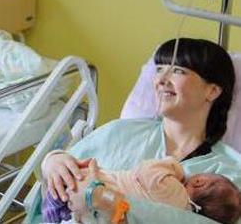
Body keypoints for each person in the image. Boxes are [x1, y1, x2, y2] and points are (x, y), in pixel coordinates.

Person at [28, 38, 241, 223]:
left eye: (178, 71)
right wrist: (53, 162)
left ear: (212, 91)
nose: (161, 80)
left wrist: (104, 199)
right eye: (159, 69)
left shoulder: (228, 171)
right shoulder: (118, 132)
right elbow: (51, 199)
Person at [43, 157, 241, 224]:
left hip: (99, 188)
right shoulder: (179, 215)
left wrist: (174, 167)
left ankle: (55, 205)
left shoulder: (173, 187)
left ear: (198, 181)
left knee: (75, 180)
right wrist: (52, 160)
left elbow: (147, 171)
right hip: (104, 215)